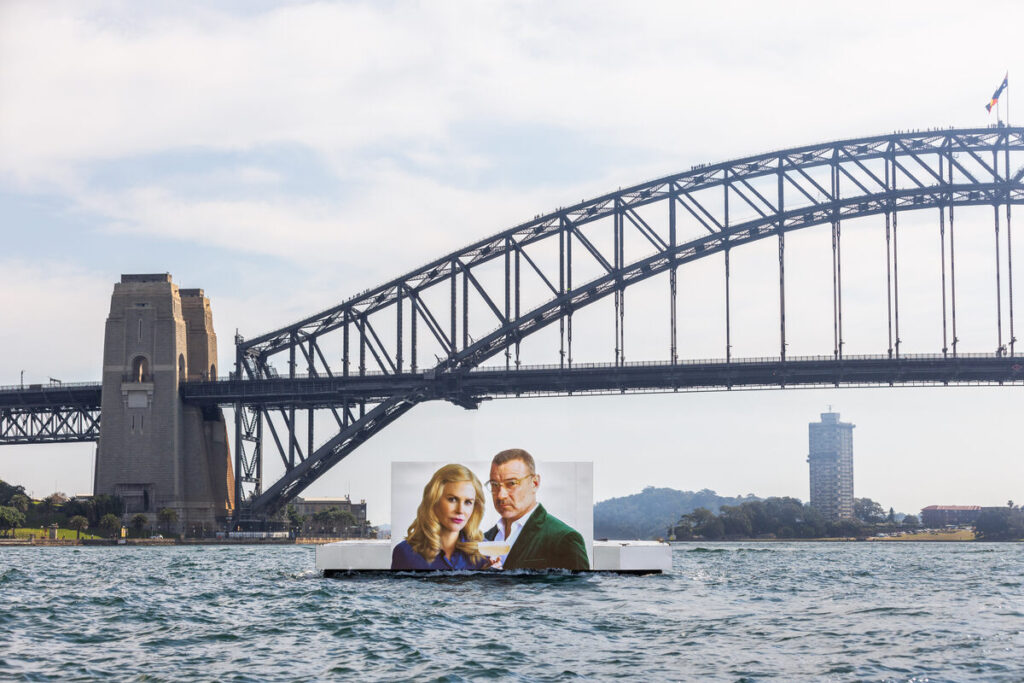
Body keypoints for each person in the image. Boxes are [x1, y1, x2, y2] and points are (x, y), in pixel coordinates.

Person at [483, 448, 589, 570]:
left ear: (535, 483)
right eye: (494, 485)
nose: (501, 495)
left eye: (511, 483)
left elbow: (579, 589)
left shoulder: (564, 540)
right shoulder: (485, 539)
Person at [391, 463, 491, 570]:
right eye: (452, 499)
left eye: (468, 502)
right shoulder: (405, 553)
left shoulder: (486, 552)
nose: (460, 510)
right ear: (434, 501)